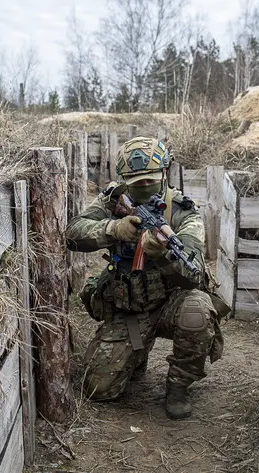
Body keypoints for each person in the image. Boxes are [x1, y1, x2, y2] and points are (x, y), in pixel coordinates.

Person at [65, 136, 226, 419]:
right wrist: (112, 229)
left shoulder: (184, 211)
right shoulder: (113, 199)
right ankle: (136, 354)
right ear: (124, 179)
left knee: (198, 308)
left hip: (171, 303)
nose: (142, 187)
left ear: (164, 173)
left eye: (148, 180)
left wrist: (162, 254)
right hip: (129, 306)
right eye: (135, 182)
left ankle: (178, 385)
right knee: (98, 390)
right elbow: (73, 233)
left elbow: (193, 273)